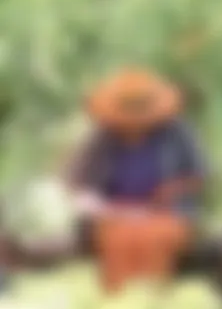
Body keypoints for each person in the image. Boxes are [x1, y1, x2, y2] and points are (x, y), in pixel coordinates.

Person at [66, 68, 207, 292]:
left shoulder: (177, 132)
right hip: (115, 216)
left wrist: (169, 192)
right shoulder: (101, 137)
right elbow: (80, 187)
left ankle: (155, 300)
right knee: (118, 241)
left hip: (166, 214)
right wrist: (99, 207)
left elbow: (198, 176)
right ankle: (120, 306)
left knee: (156, 238)